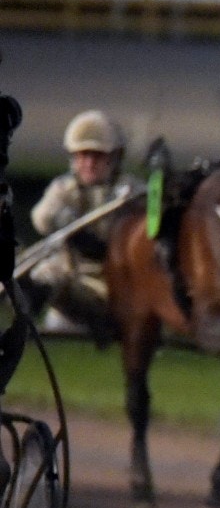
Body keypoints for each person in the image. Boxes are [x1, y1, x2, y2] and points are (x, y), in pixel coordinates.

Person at [26, 109, 141, 339]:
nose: (89, 163)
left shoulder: (131, 193)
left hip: (115, 287)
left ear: (114, 158)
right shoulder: (64, 189)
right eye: (82, 155)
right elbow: (41, 218)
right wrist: (67, 223)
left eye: (97, 156)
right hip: (73, 285)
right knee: (42, 274)